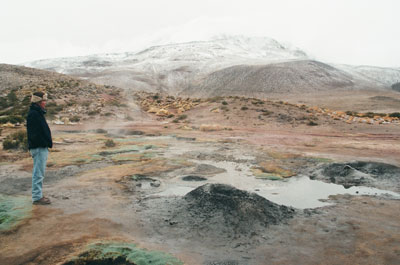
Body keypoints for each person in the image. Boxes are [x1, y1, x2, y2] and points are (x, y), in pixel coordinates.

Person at [26, 91, 53, 205]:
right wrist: (44, 143)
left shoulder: (36, 112)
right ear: (38, 101)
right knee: (38, 173)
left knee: (39, 172)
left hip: (39, 146)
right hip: (38, 147)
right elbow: (35, 133)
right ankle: (37, 197)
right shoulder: (34, 114)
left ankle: (38, 195)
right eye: (43, 101)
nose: (45, 103)